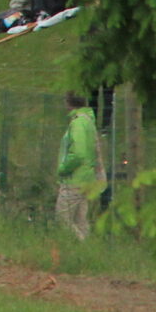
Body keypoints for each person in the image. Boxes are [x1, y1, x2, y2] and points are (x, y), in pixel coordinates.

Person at [55, 92, 102, 239]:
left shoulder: (77, 123)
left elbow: (78, 153)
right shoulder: (88, 121)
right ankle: (86, 248)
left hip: (74, 179)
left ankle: (80, 243)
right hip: (87, 178)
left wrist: (63, 169)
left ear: (68, 103)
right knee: (81, 221)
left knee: (63, 219)